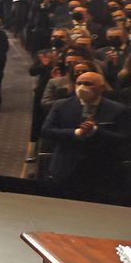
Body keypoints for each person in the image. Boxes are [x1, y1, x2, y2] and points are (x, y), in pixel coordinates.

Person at [40, 72, 129, 201]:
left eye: (88, 84)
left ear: (101, 88)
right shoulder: (61, 105)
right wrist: (76, 133)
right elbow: (46, 131)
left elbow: (124, 139)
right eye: (79, 83)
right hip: (66, 169)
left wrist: (95, 131)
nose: (82, 87)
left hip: (102, 172)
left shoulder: (119, 110)